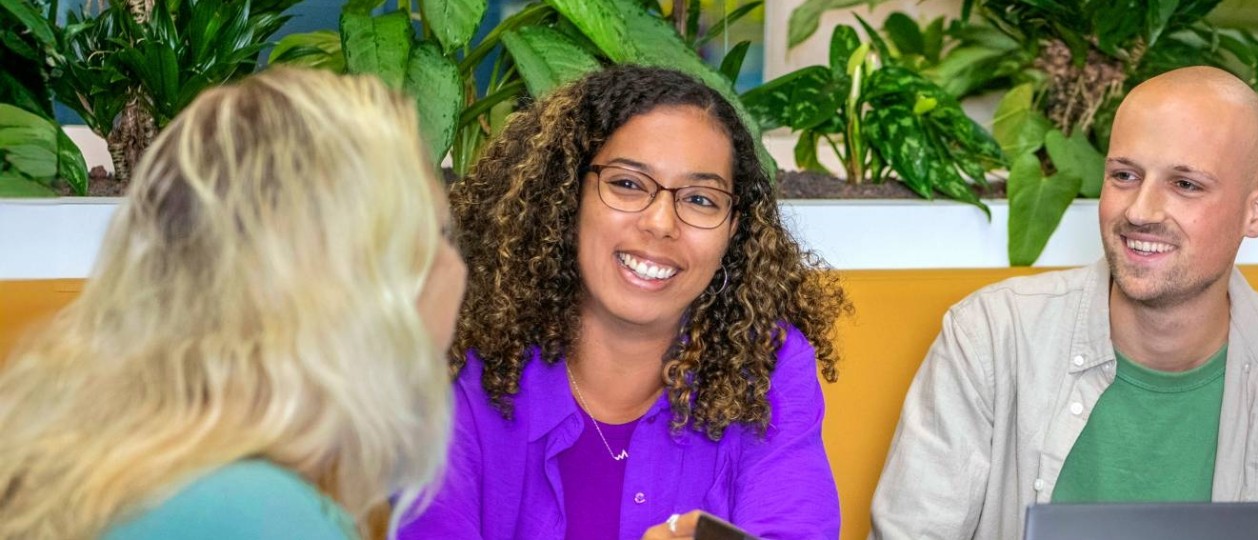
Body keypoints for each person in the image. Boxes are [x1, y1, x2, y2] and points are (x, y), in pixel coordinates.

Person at [869, 65, 1258, 540]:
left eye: (1186, 184)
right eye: (1124, 176)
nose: (1141, 210)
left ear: (1257, 212)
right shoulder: (989, 340)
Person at [0, 67, 465, 539]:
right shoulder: (262, 514)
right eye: (436, 236)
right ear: (353, 282)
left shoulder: (135, 462)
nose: (457, 269)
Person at [401, 65, 851, 540]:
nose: (661, 223)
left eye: (700, 199)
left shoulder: (765, 363)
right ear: (567, 196)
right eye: (628, 184)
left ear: (733, 231)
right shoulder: (460, 360)